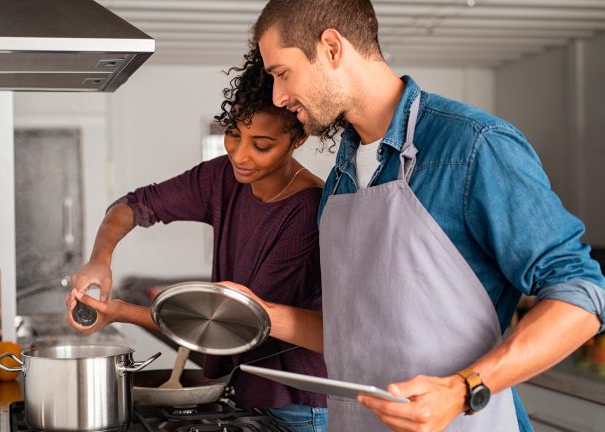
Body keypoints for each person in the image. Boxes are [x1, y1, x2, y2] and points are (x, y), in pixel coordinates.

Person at [215, 1, 605, 431]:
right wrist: (259, 312)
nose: (278, 96)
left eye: (282, 73)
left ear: (331, 47)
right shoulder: (340, 180)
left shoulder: (472, 146)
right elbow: (356, 336)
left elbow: (581, 293)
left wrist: (462, 389)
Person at [65, 51, 329, 432]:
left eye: (262, 144)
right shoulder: (223, 177)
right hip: (245, 392)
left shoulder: (306, 212)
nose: (240, 155)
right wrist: (99, 258)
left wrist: (121, 310)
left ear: (298, 138)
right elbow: (135, 205)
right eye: (234, 134)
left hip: (298, 407)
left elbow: (234, 324)